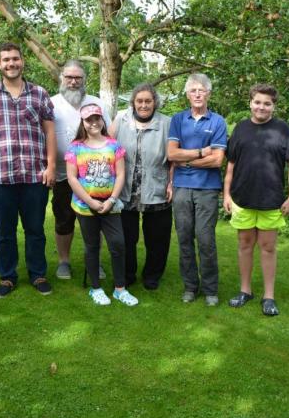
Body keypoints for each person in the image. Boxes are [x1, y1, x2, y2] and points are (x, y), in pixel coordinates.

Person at [0, 42, 57, 298]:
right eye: (6, 60)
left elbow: (50, 132)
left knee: (35, 230)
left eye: (15, 59)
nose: (11, 63)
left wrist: (51, 165)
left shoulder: (39, 94)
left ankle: (38, 274)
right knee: (5, 233)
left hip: (34, 175)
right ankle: (8, 277)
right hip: (1, 176)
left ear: (22, 61)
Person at [223, 84, 289, 316]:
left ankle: (269, 296)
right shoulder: (240, 129)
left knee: (268, 247)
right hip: (242, 198)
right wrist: (226, 194)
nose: (261, 107)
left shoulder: (282, 129)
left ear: (273, 106)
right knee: (244, 245)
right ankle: (245, 291)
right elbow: (231, 165)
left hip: (271, 199)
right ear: (250, 103)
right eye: (257, 102)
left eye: (267, 103)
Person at [65, 104, 138, 306]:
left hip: (110, 204)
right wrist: (90, 202)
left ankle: (120, 289)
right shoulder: (75, 147)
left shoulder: (114, 145)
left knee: (118, 244)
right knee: (92, 246)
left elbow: (121, 174)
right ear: (83, 123)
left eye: (97, 118)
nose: (93, 123)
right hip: (85, 205)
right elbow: (72, 178)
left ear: (102, 120)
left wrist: (112, 199)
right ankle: (95, 288)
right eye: (89, 120)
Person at [166, 73, 227, 306]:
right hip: (182, 188)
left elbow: (217, 160)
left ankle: (210, 289)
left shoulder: (217, 121)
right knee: (184, 238)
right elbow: (171, 154)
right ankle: (190, 287)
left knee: (205, 239)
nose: (198, 94)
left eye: (202, 90)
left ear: (209, 94)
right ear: (187, 95)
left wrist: (187, 161)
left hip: (207, 188)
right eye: (193, 90)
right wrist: (201, 152)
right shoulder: (178, 120)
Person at [50, 60, 111, 280]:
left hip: (94, 176)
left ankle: (94, 261)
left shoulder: (96, 103)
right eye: (69, 77)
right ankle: (64, 262)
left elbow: (109, 134)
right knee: (64, 220)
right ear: (62, 78)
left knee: (94, 221)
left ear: (84, 79)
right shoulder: (51, 104)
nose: (73, 82)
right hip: (62, 176)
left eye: (78, 78)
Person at [109, 83, 173, 290]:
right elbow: (107, 148)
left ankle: (152, 275)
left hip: (157, 187)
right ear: (133, 102)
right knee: (126, 237)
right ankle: (127, 274)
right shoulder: (121, 119)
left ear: (155, 102)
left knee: (157, 238)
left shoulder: (167, 123)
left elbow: (174, 158)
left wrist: (171, 183)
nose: (143, 105)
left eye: (148, 101)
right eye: (139, 101)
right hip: (125, 189)